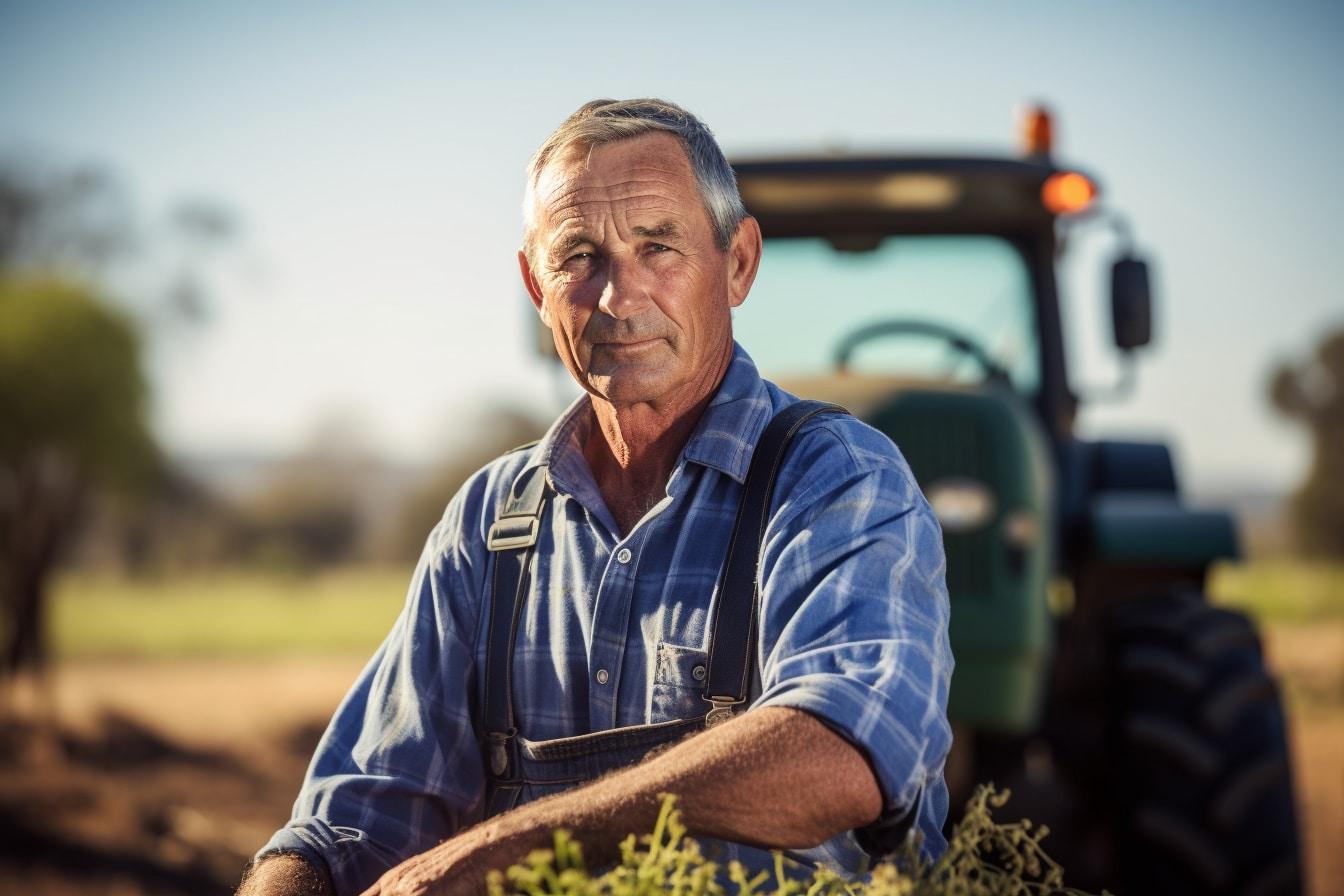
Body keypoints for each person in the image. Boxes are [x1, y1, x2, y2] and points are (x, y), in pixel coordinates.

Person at [238, 98, 953, 896]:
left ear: (739, 262)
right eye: (579, 256)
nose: (618, 296)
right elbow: (350, 823)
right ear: (534, 287)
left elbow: (840, 753)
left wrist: (505, 850)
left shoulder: (836, 482)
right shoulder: (491, 525)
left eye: (658, 247)